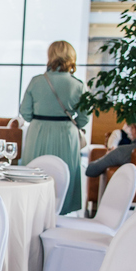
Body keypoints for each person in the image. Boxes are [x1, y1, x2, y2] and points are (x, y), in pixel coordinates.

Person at [19, 40, 89, 215]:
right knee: (64, 175)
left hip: (38, 132)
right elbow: (84, 117)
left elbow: (25, 112)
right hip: (67, 135)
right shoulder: (78, 85)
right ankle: (61, 212)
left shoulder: (36, 81)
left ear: (50, 55)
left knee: (34, 174)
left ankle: (33, 212)